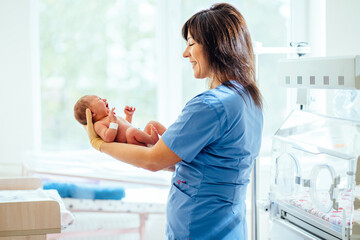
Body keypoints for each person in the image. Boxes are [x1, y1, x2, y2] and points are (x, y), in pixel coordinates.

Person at [84, 3, 263, 239]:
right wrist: (163, 145)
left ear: (215, 46)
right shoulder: (248, 97)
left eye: (191, 43)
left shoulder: (210, 105)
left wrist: (101, 144)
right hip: (228, 226)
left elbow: (152, 161)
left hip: (200, 227)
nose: (185, 53)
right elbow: (210, 163)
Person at [74, 95, 166, 146]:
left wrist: (128, 116)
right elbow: (108, 138)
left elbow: (127, 126)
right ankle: (152, 140)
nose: (104, 99)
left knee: (152, 123)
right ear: (93, 113)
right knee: (131, 131)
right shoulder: (99, 124)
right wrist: (113, 122)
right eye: (99, 99)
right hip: (134, 143)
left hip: (140, 136)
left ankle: (171, 137)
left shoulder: (111, 117)